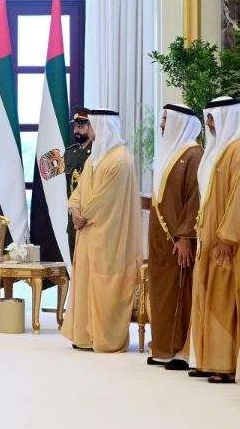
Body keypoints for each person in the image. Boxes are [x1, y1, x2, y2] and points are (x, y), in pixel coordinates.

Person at [61, 109, 141, 352]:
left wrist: (84, 214)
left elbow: (105, 199)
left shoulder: (121, 159)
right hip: (87, 233)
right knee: (85, 283)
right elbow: (79, 191)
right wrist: (75, 210)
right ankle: (85, 336)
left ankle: (106, 338)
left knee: (106, 285)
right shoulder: (94, 157)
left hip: (108, 235)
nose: (88, 130)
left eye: (91, 124)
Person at [145, 104, 202, 371]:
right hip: (160, 240)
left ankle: (179, 350)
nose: (162, 124)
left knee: (179, 291)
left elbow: (195, 199)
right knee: (161, 293)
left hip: (178, 240)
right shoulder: (170, 153)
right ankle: (162, 348)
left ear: (181, 122)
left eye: (166, 119)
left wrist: (185, 236)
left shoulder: (194, 154)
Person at [189, 96, 240, 384]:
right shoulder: (215, 151)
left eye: (212, 118)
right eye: (207, 118)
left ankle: (224, 363)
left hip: (226, 242)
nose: (209, 124)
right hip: (207, 238)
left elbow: (237, 198)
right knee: (206, 296)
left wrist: (227, 234)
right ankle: (206, 358)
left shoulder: (236, 150)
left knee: (223, 299)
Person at [64, 107, 93, 259]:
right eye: (75, 126)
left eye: (81, 126)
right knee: (74, 265)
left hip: (89, 218)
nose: (76, 130)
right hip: (72, 217)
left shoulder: (97, 153)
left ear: (90, 126)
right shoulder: (69, 153)